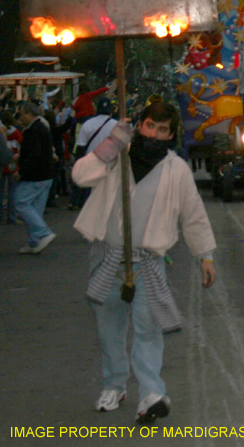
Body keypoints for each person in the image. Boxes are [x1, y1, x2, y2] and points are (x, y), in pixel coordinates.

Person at [72, 102, 216, 423]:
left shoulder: (175, 168)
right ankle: (114, 384)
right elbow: (80, 176)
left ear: (171, 135)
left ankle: (151, 392)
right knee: (109, 326)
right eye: (149, 126)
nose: (154, 133)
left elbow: (192, 214)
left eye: (162, 130)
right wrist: (113, 142)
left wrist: (205, 255)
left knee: (148, 328)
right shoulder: (116, 156)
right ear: (139, 126)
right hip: (108, 255)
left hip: (147, 261)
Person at [15, 101, 57, 254]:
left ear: (29, 114)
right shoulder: (41, 128)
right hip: (45, 174)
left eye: (21, 114)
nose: (20, 118)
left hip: (35, 175)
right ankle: (35, 240)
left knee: (21, 202)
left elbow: (34, 154)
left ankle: (43, 233)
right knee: (35, 208)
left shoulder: (33, 131)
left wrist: (22, 170)